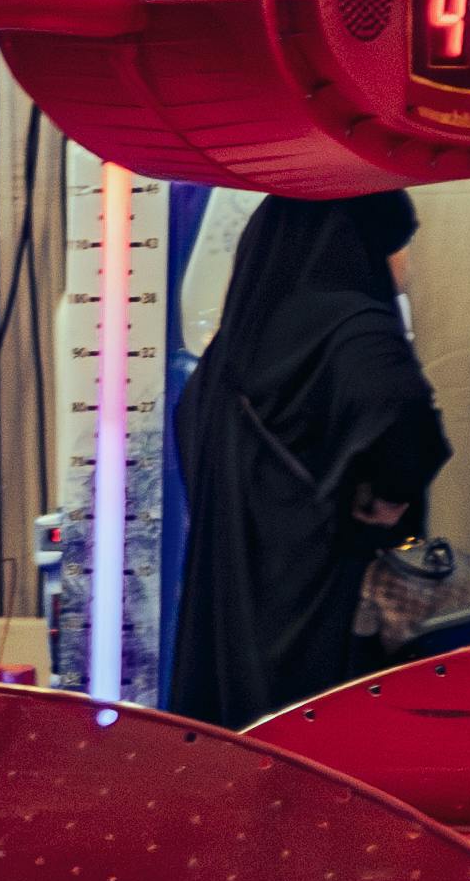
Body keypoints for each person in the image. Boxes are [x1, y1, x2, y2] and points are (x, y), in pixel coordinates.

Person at [169, 190, 449, 726]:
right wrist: (387, 495)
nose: (404, 264)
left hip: (234, 611)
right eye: (397, 245)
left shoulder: (232, 350)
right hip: (328, 613)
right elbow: (401, 409)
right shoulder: (354, 327)